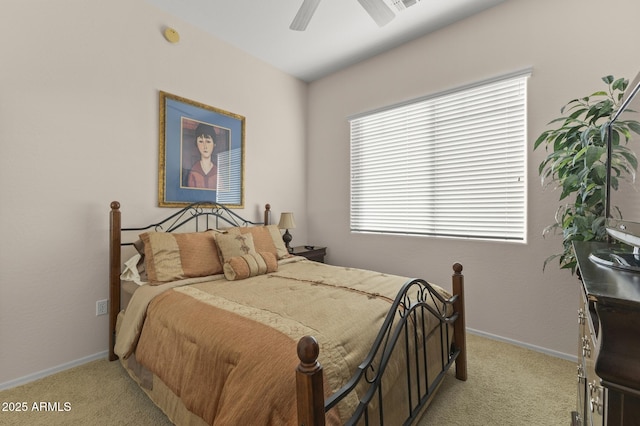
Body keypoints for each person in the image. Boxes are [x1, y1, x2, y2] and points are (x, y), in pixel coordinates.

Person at [187, 123, 218, 189]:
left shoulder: (218, 173)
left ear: (214, 144)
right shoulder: (193, 172)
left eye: (208, 141)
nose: (205, 146)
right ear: (196, 144)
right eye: (201, 141)